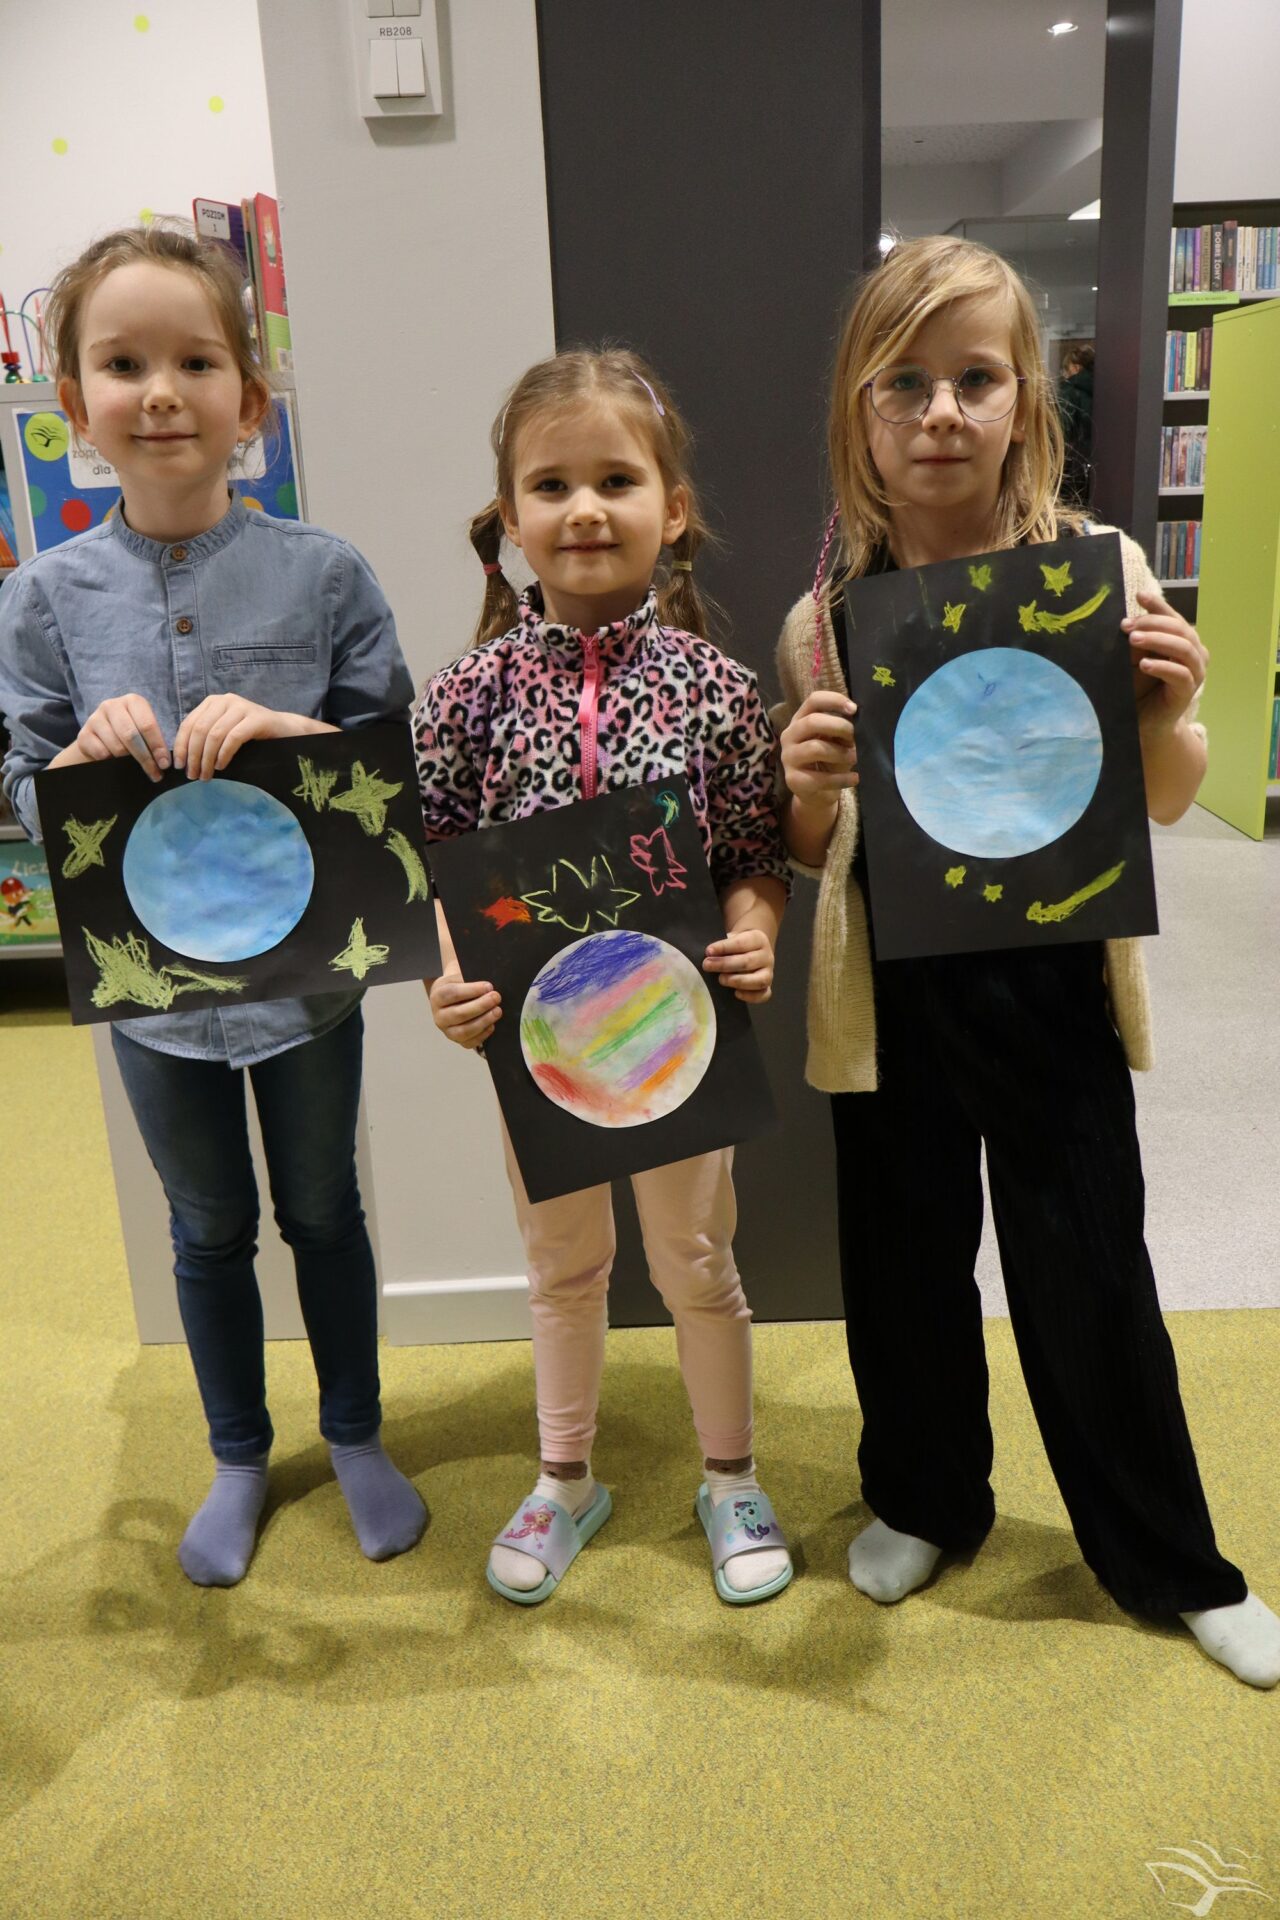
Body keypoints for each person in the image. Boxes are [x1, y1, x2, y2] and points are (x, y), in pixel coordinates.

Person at [773, 234, 1280, 1687]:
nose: (940, 412)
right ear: (860, 414)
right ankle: (926, 1497)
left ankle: (1168, 1557)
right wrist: (805, 780)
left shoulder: (1095, 572)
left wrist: (1167, 711)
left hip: (1050, 975)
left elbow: (1163, 799)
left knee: (1086, 1260)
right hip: (892, 987)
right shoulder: (828, 619)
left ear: (1025, 404)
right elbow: (813, 849)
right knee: (902, 1261)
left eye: (975, 380)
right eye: (904, 383)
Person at [0, 226, 426, 1587]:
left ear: (251, 399)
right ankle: (238, 1453)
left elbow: (394, 767)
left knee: (325, 1212)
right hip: (155, 999)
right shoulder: (44, 599)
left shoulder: (326, 573)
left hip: (306, 986)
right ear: (75, 407)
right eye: (122, 365)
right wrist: (68, 772)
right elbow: (21, 782)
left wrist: (299, 733)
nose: (161, 393)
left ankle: (354, 1433)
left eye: (196, 361)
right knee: (205, 1229)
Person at [414, 348, 793, 1606]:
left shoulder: (716, 689)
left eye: (616, 480)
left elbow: (754, 854)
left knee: (694, 1257)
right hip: (539, 1054)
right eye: (551, 485)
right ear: (509, 518)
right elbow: (435, 868)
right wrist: (451, 979)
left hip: (681, 1044)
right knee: (561, 1264)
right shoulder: (463, 699)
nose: (584, 509)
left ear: (670, 509)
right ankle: (564, 1478)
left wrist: (753, 932)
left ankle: (730, 1475)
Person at [1058, 342, 1094, 507]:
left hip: (1072, 465)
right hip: (1094, 461)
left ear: (1076, 368)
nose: (1065, 374)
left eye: (1066, 369)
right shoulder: (1105, 389)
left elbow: (1061, 432)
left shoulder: (1068, 392)